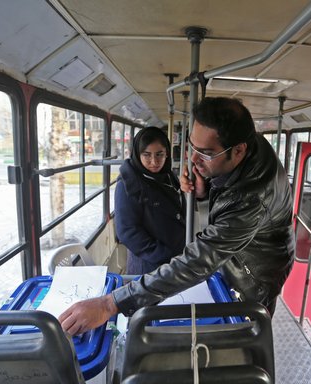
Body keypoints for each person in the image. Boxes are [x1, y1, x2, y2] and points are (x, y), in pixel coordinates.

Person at [59, 97, 295, 335]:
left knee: (242, 334)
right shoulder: (248, 145)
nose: (193, 160)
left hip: (254, 271)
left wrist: (110, 303)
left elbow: (202, 258)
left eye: (205, 153)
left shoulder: (250, 199)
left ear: (238, 150)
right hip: (227, 256)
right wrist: (203, 194)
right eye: (192, 147)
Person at [114, 127, 185, 274]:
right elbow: (127, 231)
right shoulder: (128, 184)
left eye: (160, 154)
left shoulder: (167, 175)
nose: (154, 162)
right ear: (137, 154)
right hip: (149, 265)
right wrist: (164, 254)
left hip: (174, 257)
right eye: (147, 155)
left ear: (167, 154)